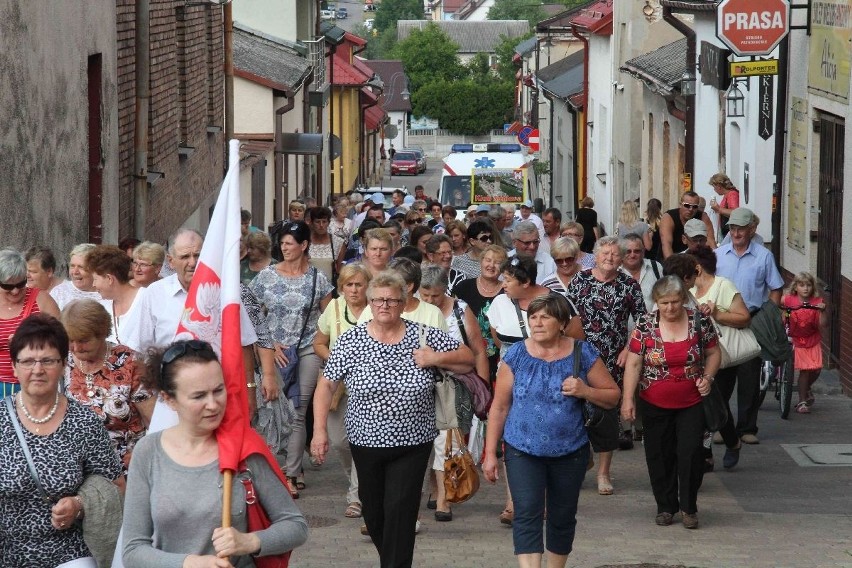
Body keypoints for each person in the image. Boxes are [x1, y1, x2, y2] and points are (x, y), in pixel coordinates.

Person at [311, 270, 474, 568]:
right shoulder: (351, 340)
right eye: (378, 300)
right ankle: (392, 559)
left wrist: (435, 359)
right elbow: (327, 385)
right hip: (365, 441)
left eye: (392, 300)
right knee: (373, 514)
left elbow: (468, 358)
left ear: (403, 303)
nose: (384, 305)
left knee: (400, 510)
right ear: (370, 303)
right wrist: (318, 431)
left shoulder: (424, 334)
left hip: (413, 442)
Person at [122, 339, 308, 567]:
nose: (213, 404)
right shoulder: (148, 452)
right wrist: (189, 563)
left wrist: (251, 541)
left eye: (218, 390)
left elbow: (295, 525)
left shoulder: (243, 447)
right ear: (170, 399)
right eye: (199, 396)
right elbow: (133, 550)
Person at [483, 294, 620, 567]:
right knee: (527, 513)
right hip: (522, 449)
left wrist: (586, 390)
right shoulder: (516, 354)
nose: (537, 322)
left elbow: (612, 395)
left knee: (562, 516)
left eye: (545, 316)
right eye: (533, 317)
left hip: (570, 450)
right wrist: (489, 453)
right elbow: (498, 407)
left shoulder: (582, 352)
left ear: (562, 323)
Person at [0, 313, 123, 567]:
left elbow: (116, 485)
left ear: (64, 364)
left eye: (48, 360)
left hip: (69, 548)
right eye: (28, 361)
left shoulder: (83, 421)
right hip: (6, 548)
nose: (37, 370)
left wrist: (79, 504)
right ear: (14, 366)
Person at [621, 276, 721, 529]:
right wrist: (627, 400)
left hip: (692, 400)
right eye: (664, 303)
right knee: (659, 454)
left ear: (683, 300)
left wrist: (708, 377)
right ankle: (665, 507)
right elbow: (633, 363)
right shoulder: (645, 324)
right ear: (656, 302)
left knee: (690, 454)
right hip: (653, 401)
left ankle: (689, 507)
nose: (670, 308)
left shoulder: (699, 320)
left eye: (675, 302)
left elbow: (713, 352)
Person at [249, 220, 333, 496]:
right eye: (282, 243)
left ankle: (291, 471)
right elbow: (250, 314)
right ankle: (273, 464)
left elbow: (328, 318)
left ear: (304, 246)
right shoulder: (267, 276)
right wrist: (270, 343)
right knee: (273, 407)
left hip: (307, 348)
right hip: (273, 351)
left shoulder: (317, 279)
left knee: (298, 408)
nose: (284, 247)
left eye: (290, 243)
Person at [565, 236, 646, 494]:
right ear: (596, 256)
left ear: (622, 259)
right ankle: (580, 460)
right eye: (605, 254)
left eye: (614, 254)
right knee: (576, 409)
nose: (609, 258)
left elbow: (643, 322)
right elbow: (566, 316)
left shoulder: (629, 285)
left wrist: (627, 349)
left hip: (613, 357)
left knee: (606, 414)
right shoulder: (580, 280)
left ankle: (603, 473)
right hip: (580, 355)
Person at [419, 266, 489, 523]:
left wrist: (481, 388)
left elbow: (478, 350)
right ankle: (434, 486)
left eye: (435, 296)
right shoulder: (412, 309)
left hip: (452, 383)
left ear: (444, 291)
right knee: (424, 438)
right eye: (424, 295)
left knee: (446, 438)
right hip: (420, 383)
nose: (429, 301)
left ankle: (443, 499)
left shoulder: (460, 309)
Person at [60, 299, 155, 472]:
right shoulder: (62, 362)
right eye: (70, 340)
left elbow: (153, 421)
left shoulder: (131, 363)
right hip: (76, 465)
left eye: (83, 340)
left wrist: (143, 454)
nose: (75, 347)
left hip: (125, 463)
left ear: (102, 332)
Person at [715, 207, 784, 444]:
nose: (735, 233)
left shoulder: (764, 256)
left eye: (740, 228)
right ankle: (722, 428)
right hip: (722, 322)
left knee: (749, 379)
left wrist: (770, 315)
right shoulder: (718, 254)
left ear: (751, 229)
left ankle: (747, 429)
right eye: (732, 228)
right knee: (722, 379)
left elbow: (776, 287)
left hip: (752, 322)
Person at [313, 264, 372, 519]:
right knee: (339, 440)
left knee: (363, 440)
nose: (354, 289)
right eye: (349, 285)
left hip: (370, 387)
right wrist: (336, 360)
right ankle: (356, 483)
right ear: (341, 288)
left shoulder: (377, 307)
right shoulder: (334, 308)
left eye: (359, 284)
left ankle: (357, 497)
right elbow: (318, 343)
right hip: (338, 386)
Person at [689, 245, 751, 470]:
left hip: (722, 357)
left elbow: (744, 317)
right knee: (703, 405)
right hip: (696, 358)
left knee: (716, 403)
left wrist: (716, 313)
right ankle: (717, 448)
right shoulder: (689, 291)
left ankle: (727, 444)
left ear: (697, 267)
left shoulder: (723, 285)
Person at [0, 248, 60, 397]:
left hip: (34, 383)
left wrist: (29, 342)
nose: (15, 291)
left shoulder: (41, 299)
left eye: (20, 284)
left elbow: (61, 338)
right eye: (8, 286)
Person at [454, 244, 508, 385]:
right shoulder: (463, 287)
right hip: (467, 357)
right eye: (488, 260)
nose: (491, 265)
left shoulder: (508, 291)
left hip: (499, 360)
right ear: (481, 261)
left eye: (497, 262)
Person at [358, 258, 446, 330]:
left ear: (408, 286)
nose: (385, 284)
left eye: (391, 282)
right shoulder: (373, 309)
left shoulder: (433, 314)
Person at [782, 272, 827, 414]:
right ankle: (802, 400)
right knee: (805, 370)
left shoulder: (816, 301)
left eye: (808, 285)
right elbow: (779, 303)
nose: (805, 288)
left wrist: (823, 311)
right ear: (796, 287)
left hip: (812, 338)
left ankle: (806, 387)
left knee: (817, 369)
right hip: (796, 338)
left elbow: (823, 324)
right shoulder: (789, 300)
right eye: (802, 285)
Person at [87, 245, 144, 345]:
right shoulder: (102, 306)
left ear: (109, 279)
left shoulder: (146, 298)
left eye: (95, 279)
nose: (93, 285)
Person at [49, 244, 111, 312]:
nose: (75, 272)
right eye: (72, 266)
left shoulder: (107, 295)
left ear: (95, 269)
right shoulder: (59, 292)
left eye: (81, 267)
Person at [659, 191, 717, 258]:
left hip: (696, 258)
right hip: (672, 257)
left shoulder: (703, 216)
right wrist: (671, 265)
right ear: (680, 204)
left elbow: (710, 241)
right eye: (687, 205)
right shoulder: (669, 217)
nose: (690, 209)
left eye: (694, 207)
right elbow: (666, 244)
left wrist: (716, 262)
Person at [619, 233, 664, 312]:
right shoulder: (615, 271)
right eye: (628, 251)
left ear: (643, 252)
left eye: (637, 251)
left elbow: (665, 294)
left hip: (653, 322)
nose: (632, 255)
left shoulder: (655, 267)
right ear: (621, 252)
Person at [307, 206, 346, 285]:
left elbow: (340, 270)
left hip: (330, 288)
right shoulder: (305, 242)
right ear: (311, 222)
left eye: (324, 222)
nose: (321, 225)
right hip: (308, 286)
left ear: (329, 222)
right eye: (317, 222)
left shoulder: (338, 242)